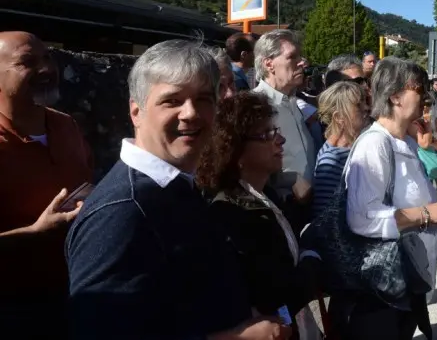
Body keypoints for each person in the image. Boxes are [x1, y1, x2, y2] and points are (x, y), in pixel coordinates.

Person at [66, 39, 290, 340]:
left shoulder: (177, 184)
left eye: (203, 99)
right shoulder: (122, 212)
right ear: (136, 112)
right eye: (172, 101)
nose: (191, 113)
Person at [330, 56, 437, 340]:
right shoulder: (375, 144)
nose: (425, 94)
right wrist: (427, 214)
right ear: (395, 97)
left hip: (404, 280)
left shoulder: (404, 141)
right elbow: (362, 218)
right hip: (380, 290)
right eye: (418, 87)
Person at [196, 92, 322, 340]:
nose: (281, 140)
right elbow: (273, 294)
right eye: (267, 135)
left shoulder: (267, 195)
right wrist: (312, 258)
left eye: (276, 131)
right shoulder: (232, 214)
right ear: (235, 151)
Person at [0, 31, 93, 336]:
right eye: (27, 62)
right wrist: (33, 233)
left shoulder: (66, 125)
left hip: (80, 289)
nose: (46, 69)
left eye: (47, 57)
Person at [252, 30, 315, 209]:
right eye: (292, 57)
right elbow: (249, 165)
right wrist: (291, 179)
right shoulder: (256, 106)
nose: (301, 62)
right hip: (282, 206)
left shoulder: (291, 100)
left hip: (307, 203)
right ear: (269, 64)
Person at [312, 80, 369, 218]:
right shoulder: (331, 159)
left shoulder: (353, 147)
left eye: (365, 102)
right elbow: (326, 217)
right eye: (358, 106)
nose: (366, 108)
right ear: (339, 117)